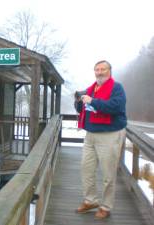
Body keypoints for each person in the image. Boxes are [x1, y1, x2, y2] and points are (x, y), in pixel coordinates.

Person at [74, 60, 127, 219]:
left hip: (110, 134)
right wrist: (78, 102)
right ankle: (90, 201)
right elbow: (85, 109)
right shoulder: (91, 89)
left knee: (108, 174)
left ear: (109, 71)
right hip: (90, 135)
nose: (99, 72)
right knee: (86, 169)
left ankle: (106, 206)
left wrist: (93, 101)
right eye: (97, 69)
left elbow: (116, 107)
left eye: (103, 69)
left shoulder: (117, 87)